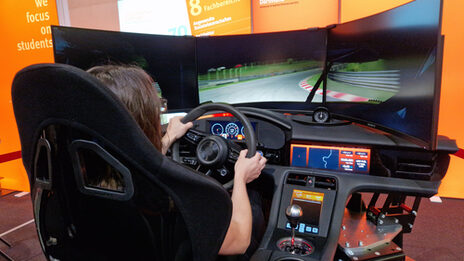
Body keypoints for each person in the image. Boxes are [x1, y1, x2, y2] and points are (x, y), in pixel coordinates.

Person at [87, 64, 266, 256]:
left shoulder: (82, 175)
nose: (159, 114)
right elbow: (238, 242)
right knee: (254, 203)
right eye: (156, 109)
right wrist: (240, 177)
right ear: (140, 121)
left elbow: (137, 156)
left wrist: (168, 138)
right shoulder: (171, 194)